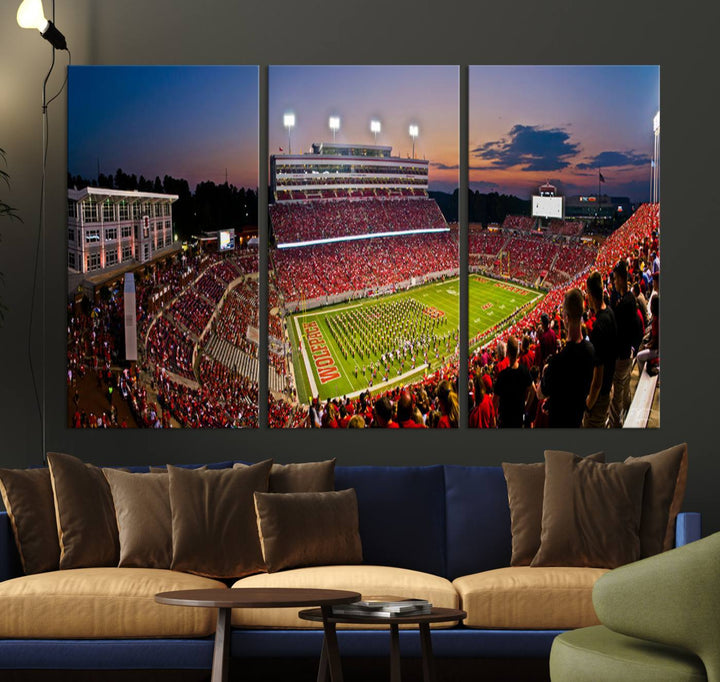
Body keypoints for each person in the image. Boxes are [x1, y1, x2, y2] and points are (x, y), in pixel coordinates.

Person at [539, 288, 595, 428]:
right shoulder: (590, 350)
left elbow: (540, 393)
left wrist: (545, 371)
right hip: (578, 420)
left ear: (566, 318)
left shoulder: (557, 363)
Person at [609, 260, 643, 427]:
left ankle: (618, 428)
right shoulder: (628, 299)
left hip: (622, 357)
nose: (614, 282)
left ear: (621, 279)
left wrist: (630, 348)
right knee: (625, 391)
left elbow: (621, 330)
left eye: (615, 279)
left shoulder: (626, 303)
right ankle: (629, 414)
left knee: (616, 401)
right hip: (627, 355)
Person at [583, 271, 617, 428]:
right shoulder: (610, 312)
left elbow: (597, 377)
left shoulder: (598, 327)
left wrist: (589, 404)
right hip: (609, 385)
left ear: (590, 294)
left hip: (600, 395)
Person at [494, 336, 532, 428]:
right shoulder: (524, 370)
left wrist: (495, 418)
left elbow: (495, 403)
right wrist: (526, 407)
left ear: (507, 353)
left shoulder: (502, 375)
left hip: (505, 420)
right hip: (519, 418)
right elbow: (533, 390)